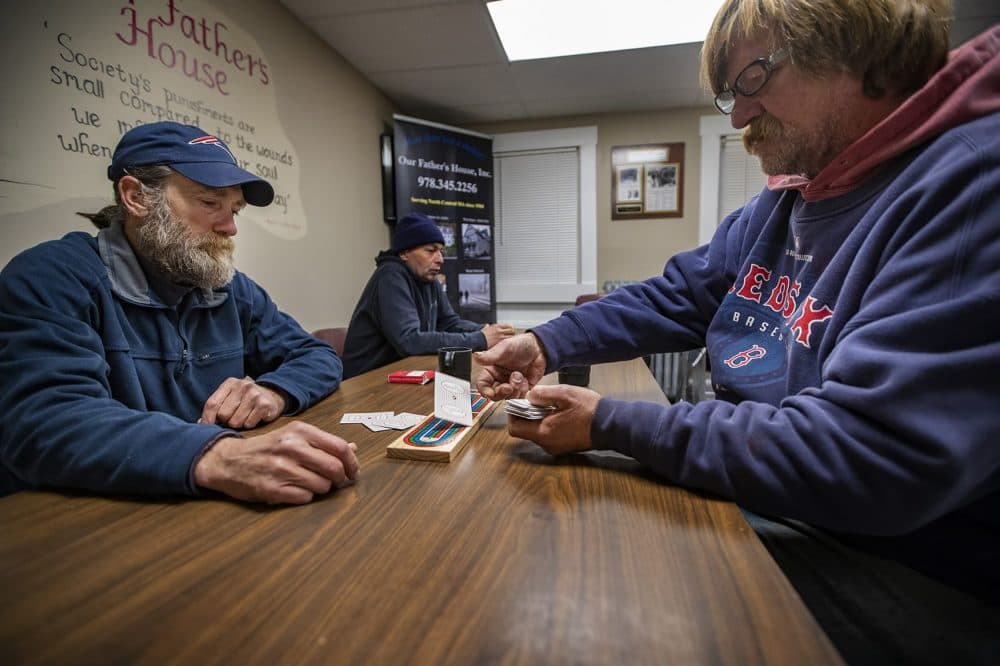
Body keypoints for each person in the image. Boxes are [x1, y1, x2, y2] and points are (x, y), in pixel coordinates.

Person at [477, 2, 999, 661]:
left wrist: (613, 424)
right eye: (731, 93)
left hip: (912, 564)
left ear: (863, 54)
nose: (740, 115)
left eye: (752, 78)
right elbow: (675, 296)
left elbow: (871, 453)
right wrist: (547, 342)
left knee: (617, 608)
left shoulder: (973, 182)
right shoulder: (788, 198)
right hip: (777, 496)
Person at [0, 122, 359, 505]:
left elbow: (316, 354)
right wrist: (218, 455)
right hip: (75, 525)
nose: (230, 227)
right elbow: (47, 421)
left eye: (234, 209)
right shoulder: (50, 278)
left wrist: (272, 391)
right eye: (210, 203)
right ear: (136, 197)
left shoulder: (230, 289)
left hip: (194, 510)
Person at [342, 212, 515, 378]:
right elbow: (409, 340)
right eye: (430, 251)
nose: (440, 259)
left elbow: (449, 323)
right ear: (404, 253)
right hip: (367, 381)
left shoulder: (428, 278)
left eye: (441, 251)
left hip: (405, 372)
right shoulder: (390, 275)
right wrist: (480, 339)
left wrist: (485, 330)